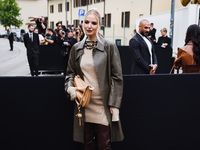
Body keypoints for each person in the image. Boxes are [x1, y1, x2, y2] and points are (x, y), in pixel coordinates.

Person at [65, 8, 124, 150]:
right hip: (84, 104)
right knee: (88, 144)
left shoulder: (109, 47)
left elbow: (117, 78)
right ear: (82, 24)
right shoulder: (76, 48)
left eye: (93, 23)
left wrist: (114, 105)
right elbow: (70, 73)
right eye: (86, 22)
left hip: (103, 105)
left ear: (99, 25)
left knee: (104, 144)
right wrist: (71, 89)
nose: (89, 26)